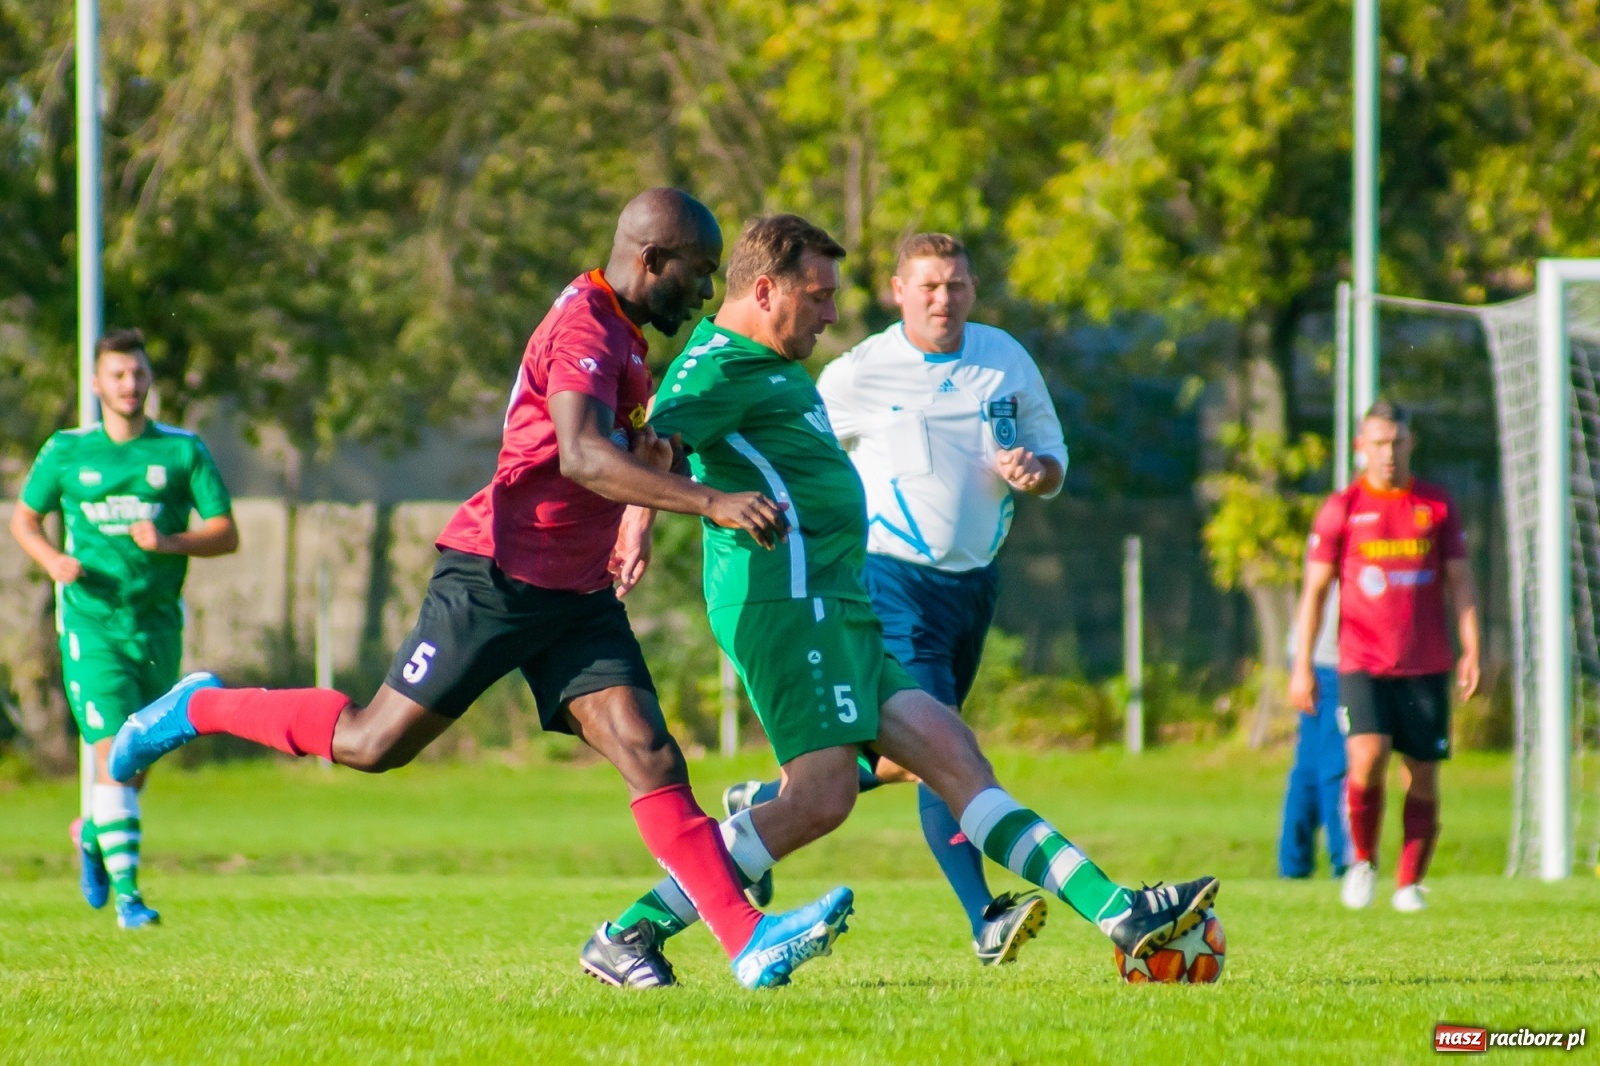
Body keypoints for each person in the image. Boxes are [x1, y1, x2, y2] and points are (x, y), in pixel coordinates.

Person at [109, 189, 851, 990]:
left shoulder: (625, 332)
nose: (705, 292)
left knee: (649, 751)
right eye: (697, 273)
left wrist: (653, 452)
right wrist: (710, 500)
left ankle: (747, 942)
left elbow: (608, 447)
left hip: (575, 595)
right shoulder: (586, 325)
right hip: (497, 576)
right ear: (651, 260)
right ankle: (198, 707)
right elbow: (580, 456)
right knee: (372, 744)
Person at [585, 213, 1218, 985]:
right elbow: (652, 449)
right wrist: (638, 522)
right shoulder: (713, 368)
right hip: (788, 605)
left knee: (955, 756)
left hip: (841, 604)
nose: (831, 313)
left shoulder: (775, 359)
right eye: (818, 296)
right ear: (766, 290)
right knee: (820, 799)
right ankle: (630, 932)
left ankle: (1123, 913)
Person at [720, 232, 1068, 965]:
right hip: (890, 581)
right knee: (944, 749)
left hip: (974, 583)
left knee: (920, 749)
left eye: (957, 285)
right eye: (930, 286)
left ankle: (764, 804)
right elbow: (790, 442)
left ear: (974, 289)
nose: (945, 299)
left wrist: (1038, 471)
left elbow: (1053, 454)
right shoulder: (860, 371)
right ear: (898, 291)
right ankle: (985, 918)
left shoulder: (1004, 358)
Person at [10, 329, 240, 929]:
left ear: (149, 379)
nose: (129, 384)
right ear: (96, 383)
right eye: (117, 374)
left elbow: (226, 533)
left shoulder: (181, 451)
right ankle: (131, 900)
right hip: (91, 624)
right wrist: (51, 560)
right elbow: (25, 519)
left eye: (137, 373)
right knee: (110, 752)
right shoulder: (66, 451)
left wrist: (170, 542)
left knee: (132, 764)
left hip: (156, 625)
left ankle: (93, 833)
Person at [1288, 399, 1480, 912]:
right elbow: (1314, 592)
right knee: (1367, 758)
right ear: (1360, 447)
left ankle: (1409, 882)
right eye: (1378, 443)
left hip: (1426, 664)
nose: (1388, 453)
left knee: (1422, 772)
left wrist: (1472, 649)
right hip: (1362, 662)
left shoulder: (1435, 505)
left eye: (1396, 442)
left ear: (1411, 443)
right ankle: (1363, 862)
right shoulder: (1343, 507)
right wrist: (1302, 664)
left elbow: (1461, 581)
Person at [1277, 595, 1349, 879]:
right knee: (1336, 767)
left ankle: (1294, 867)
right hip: (1335, 658)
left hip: (1315, 654)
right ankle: (1346, 862)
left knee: (1310, 766)